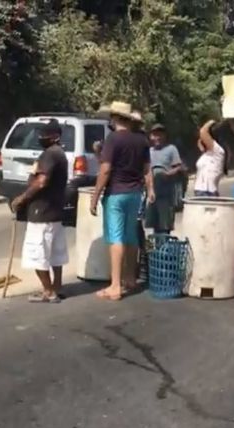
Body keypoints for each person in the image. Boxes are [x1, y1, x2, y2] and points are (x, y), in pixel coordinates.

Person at [91, 102, 154, 301]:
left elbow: (105, 169)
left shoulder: (113, 139)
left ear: (115, 118)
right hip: (135, 193)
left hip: (116, 193)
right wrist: (151, 190)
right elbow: (147, 170)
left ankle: (115, 286)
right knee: (131, 236)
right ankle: (130, 278)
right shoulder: (141, 140)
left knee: (116, 238)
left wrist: (95, 195)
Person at [11, 120, 69, 303]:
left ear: (55, 137)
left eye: (45, 134)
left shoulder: (50, 155)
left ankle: (48, 291)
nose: (40, 137)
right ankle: (55, 287)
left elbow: (42, 181)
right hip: (54, 212)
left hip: (42, 212)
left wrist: (23, 198)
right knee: (54, 254)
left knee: (38, 253)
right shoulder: (59, 154)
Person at [145, 124, 185, 235]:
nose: (157, 137)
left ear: (165, 135)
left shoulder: (171, 149)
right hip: (153, 193)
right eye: (154, 135)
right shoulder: (149, 151)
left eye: (160, 134)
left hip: (166, 194)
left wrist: (168, 173)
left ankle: (165, 249)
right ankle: (157, 250)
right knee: (154, 224)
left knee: (165, 225)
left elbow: (178, 167)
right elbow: (146, 170)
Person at [194, 120, 227, 197]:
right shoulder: (208, 154)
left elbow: (202, 131)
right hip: (200, 191)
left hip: (208, 192)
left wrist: (212, 121)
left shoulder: (218, 151)